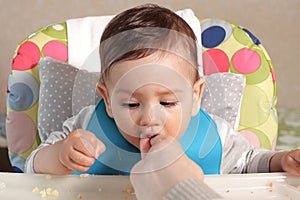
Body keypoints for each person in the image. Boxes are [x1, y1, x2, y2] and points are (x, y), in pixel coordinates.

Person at [25, 2, 299, 192]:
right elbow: (31, 168)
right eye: (131, 103)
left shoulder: (212, 137)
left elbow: (250, 163)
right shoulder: (87, 128)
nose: (149, 118)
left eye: (167, 102)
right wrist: (60, 156)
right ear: (106, 100)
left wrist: (280, 161)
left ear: (196, 95)